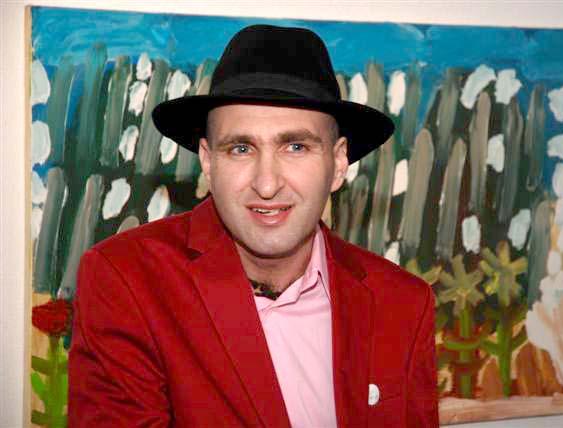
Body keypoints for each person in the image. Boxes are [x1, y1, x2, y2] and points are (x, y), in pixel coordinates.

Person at [69, 24, 438, 427]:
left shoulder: (402, 302)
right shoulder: (128, 281)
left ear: (337, 164)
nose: (266, 184)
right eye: (241, 148)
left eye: (295, 146)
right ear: (208, 162)